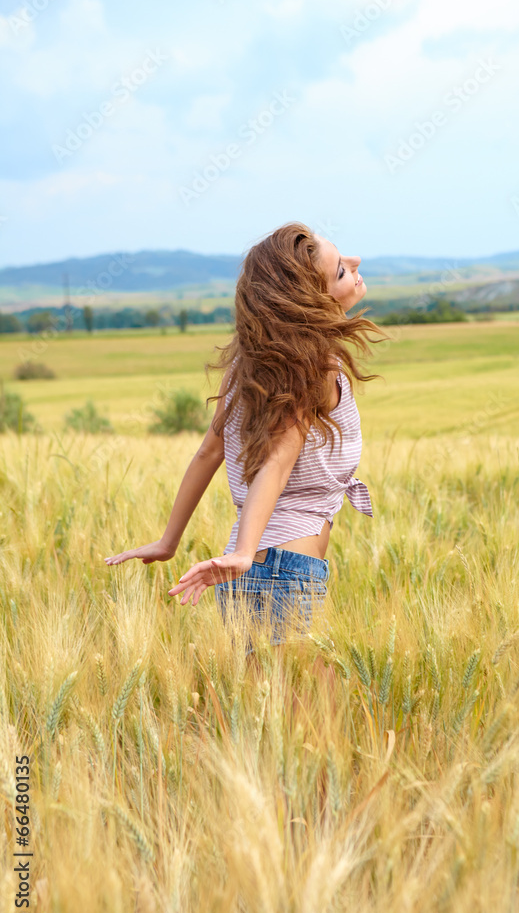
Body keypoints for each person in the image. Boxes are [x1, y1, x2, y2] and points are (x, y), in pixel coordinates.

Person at [105, 221, 390, 663]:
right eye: (340, 271)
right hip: (282, 570)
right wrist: (240, 552)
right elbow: (277, 462)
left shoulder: (248, 364)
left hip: (246, 572)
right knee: (313, 719)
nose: (355, 266)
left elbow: (209, 452)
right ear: (312, 302)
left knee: (262, 720)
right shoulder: (317, 368)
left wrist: (169, 540)